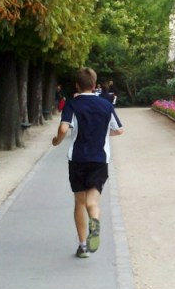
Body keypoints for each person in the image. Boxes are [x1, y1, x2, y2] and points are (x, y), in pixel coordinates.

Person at [52, 68, 124, 258]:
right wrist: (102, 135)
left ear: (77, 84)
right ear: (94, 84)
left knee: (79, 202)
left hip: (78, 159)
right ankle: (95, 220)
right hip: (99, 159)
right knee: (92, 202)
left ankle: (83, 246)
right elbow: (119, 130)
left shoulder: (72, 104)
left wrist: (56, 141)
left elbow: (63, 128)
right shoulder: (106, 105)